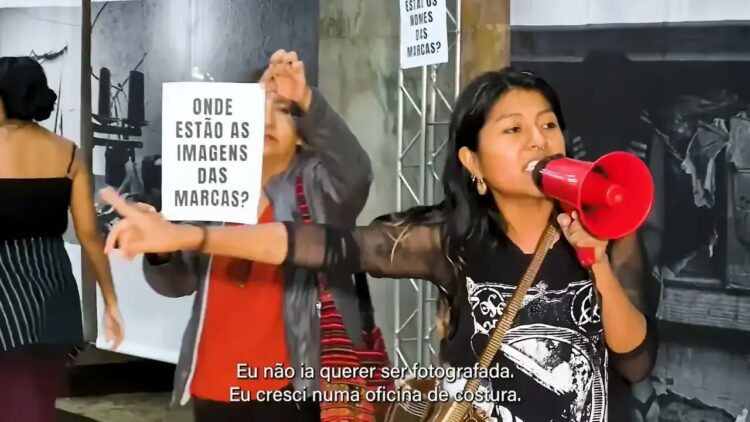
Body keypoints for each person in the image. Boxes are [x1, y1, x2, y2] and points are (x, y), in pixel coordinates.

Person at [101, 68, 657, 422]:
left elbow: (634, 363)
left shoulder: (608, 227)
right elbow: (325, 245)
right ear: (473, 161)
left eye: (549, 125)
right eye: (513, 129)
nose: (538, 140)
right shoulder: (447, 241)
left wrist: (596, 262)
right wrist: (184, 236)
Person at [136, 50, 374, 421]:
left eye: (281, 109)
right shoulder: (212, 185)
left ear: (302, 134)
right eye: (254, 107)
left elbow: (356, 173)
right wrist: (160, 253)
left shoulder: (315, 187)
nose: (266, 119)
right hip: (211, 384)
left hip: (290, 389)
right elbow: (178, 283)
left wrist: (306, 99)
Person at [0, 56, 123, 422]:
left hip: (3, 292)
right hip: (53, 289)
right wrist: (111, 301)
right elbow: (90, 235)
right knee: (38, 403)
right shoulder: (69, 152)